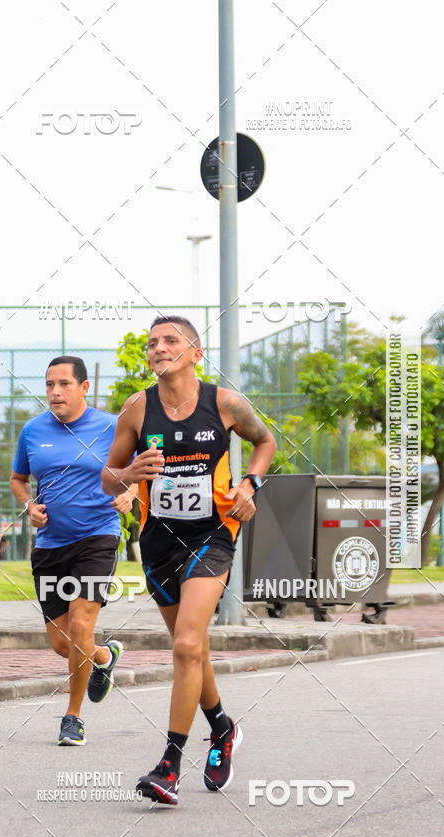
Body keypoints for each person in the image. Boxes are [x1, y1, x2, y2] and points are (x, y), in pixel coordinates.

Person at [102, 316, 277, 804]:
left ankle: (169, 765)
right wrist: (131, 471)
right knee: (192, 649)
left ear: (195, 353)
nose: (159, 348)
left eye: (171, 341)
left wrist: (249, 483)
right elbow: (109, 479)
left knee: (184, 645)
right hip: (157, 542)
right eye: (153, 343)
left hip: (212, 536)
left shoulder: (224, 403)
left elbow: (266, 442)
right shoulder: (137, 410)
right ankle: (222, 728)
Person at [10, 355, 136, 746]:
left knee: (82, 626)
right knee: (63, 644)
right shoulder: (32, 432)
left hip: (97, 537)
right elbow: (18, 479)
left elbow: (137, 474)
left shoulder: (112, 427)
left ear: (83, 387)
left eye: (63, 384)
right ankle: (103, 657)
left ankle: (73, 716)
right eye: (49, 384)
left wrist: (130, 494)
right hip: (50, 546)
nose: (55, 392)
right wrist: (28, 505)